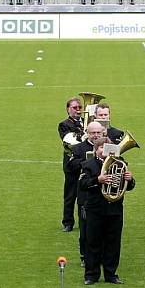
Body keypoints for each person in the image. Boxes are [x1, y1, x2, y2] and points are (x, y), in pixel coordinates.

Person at [79, 138, 135, 285]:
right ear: (96, 150)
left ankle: (111, 274)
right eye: (102, 148)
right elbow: (82, 184)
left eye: (109, 148)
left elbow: (128, 187)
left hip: (114, 209)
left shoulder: (120, 163)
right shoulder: (88, 165)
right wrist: (98, 180)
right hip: (95, 209)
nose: (106, 151)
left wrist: (130, 179)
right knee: (93, 242)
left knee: (113, 243)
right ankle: (91, 275)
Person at [68, 121, 106, 266]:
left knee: (103, 228)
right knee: (85, 227)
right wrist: (88, 162)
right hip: (86, 195)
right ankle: (85, 255)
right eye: (93, 133)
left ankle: (101, 254)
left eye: (98, 133)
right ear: (87, 133)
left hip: (104, 195)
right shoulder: (78, 148)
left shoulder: (108, 147)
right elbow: (71, 165)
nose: (96, 135)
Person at [58, 97, 86, 232]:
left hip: (85, 163)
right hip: (71, 164)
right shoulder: (64, 124)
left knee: (85, 194)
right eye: (75, 108)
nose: (78, 110)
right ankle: (68, 222)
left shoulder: (87, 122)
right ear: (68, 109)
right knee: (70, 195)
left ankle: (84, 220)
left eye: (79, 107)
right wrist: (85, 132)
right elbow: (70, 141)